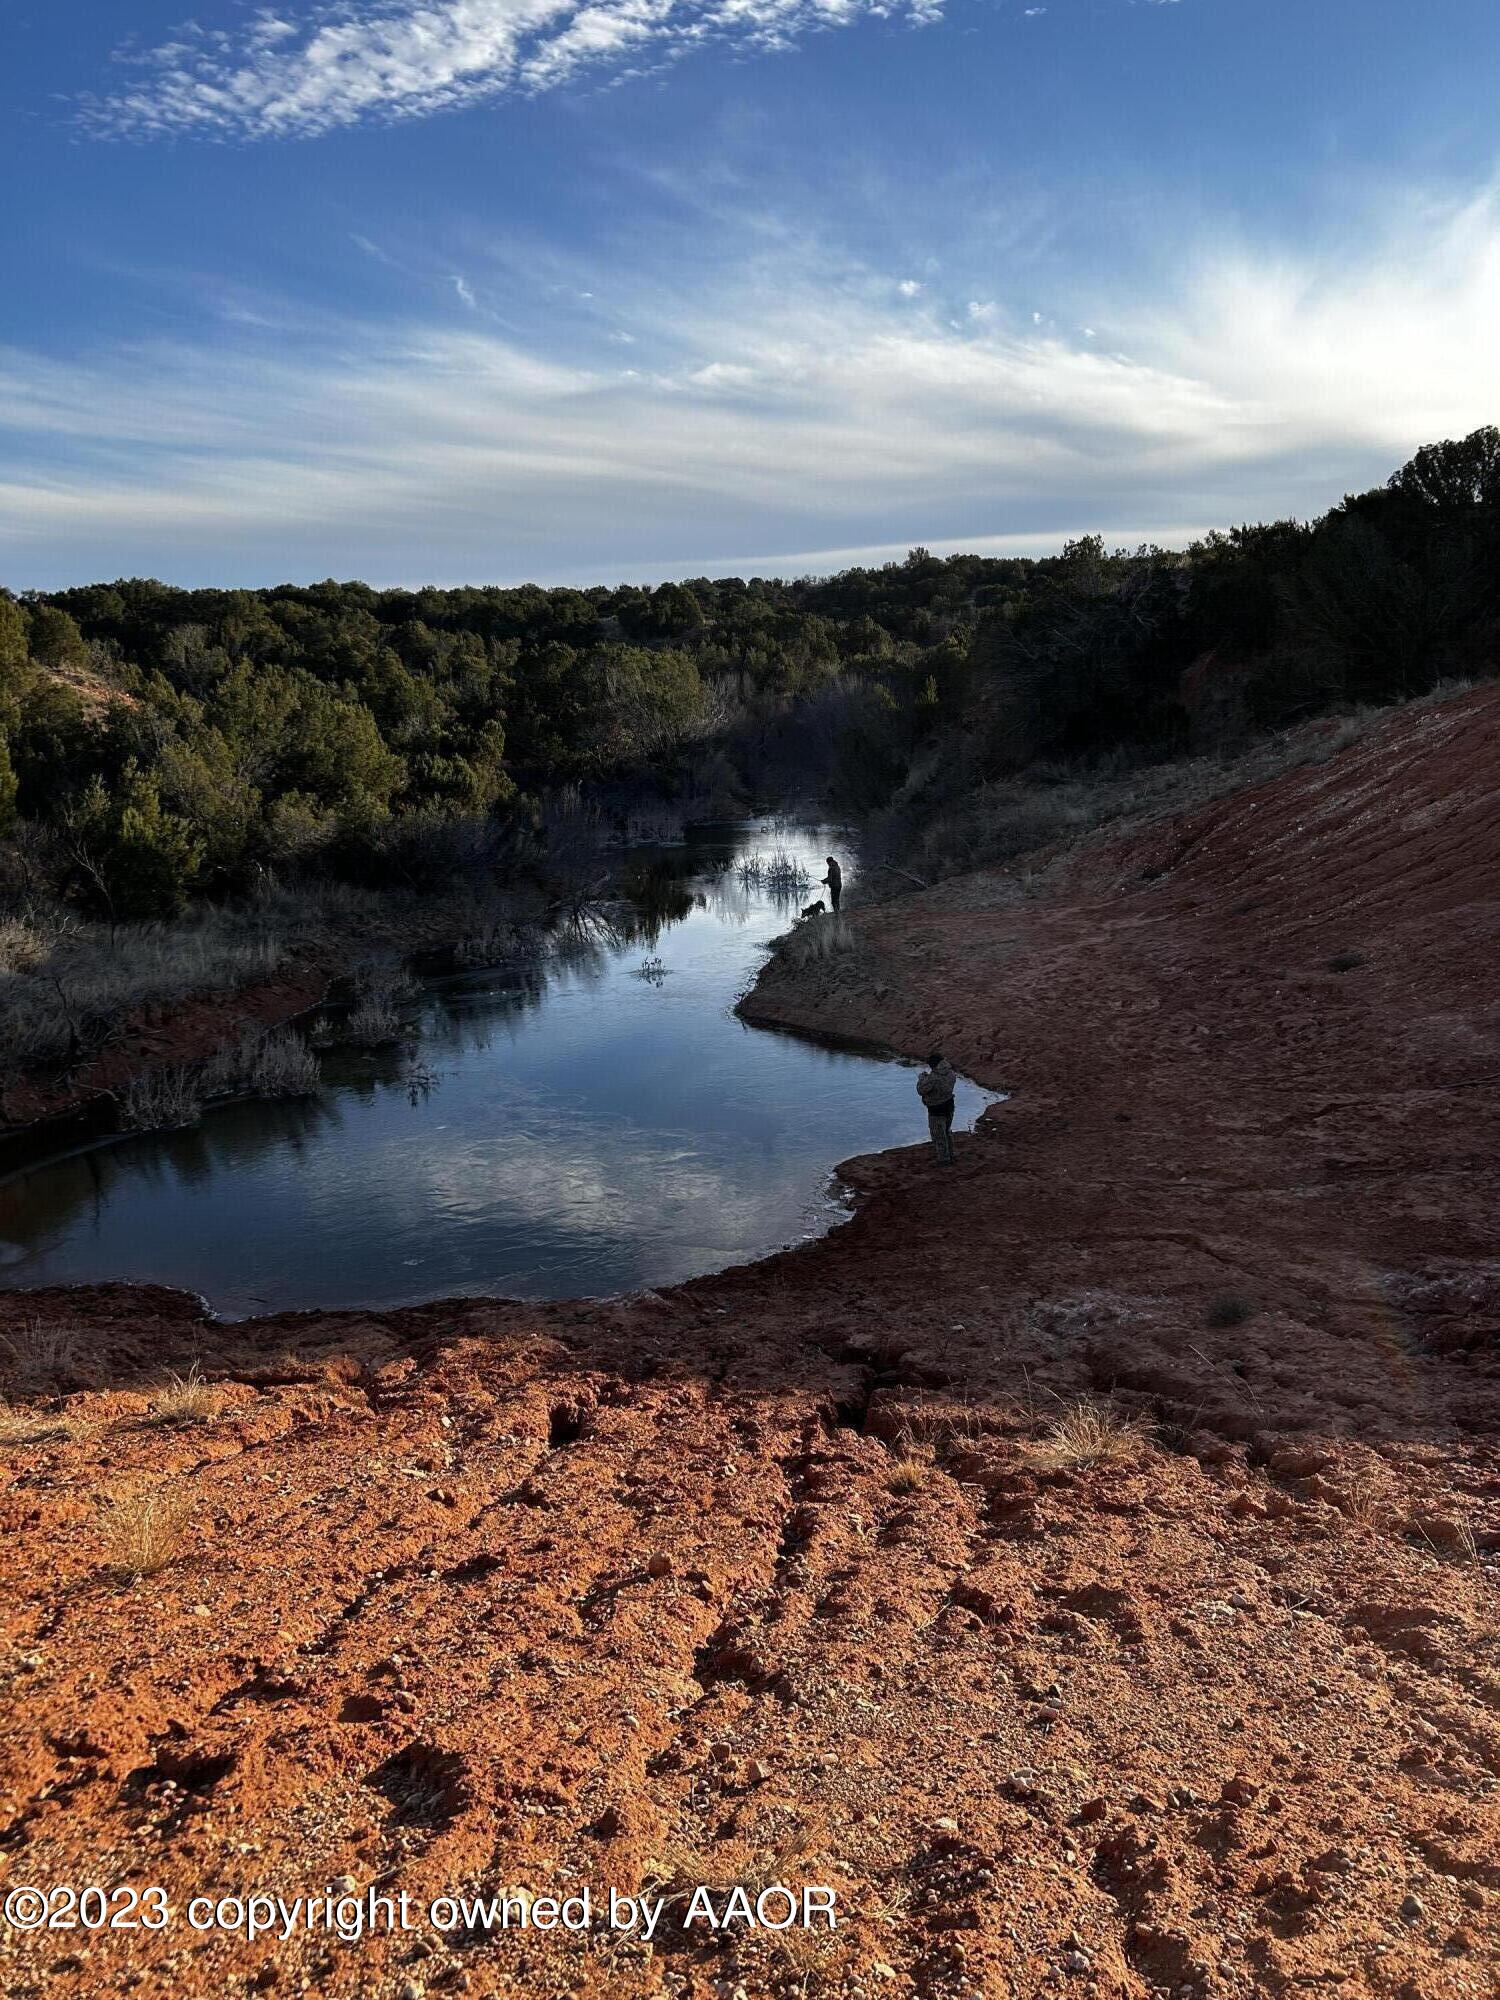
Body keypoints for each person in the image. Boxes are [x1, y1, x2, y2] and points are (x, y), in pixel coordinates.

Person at [917, 1051, 956, 1166]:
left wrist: (921, 1079)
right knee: (947, 1132)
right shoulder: (951, 1073)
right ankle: (951, 1155)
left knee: (938, 1136)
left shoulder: (933, 1078)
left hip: (936, 1110)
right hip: (949, 1106)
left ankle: (944, 1160)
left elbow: (921, 1090)